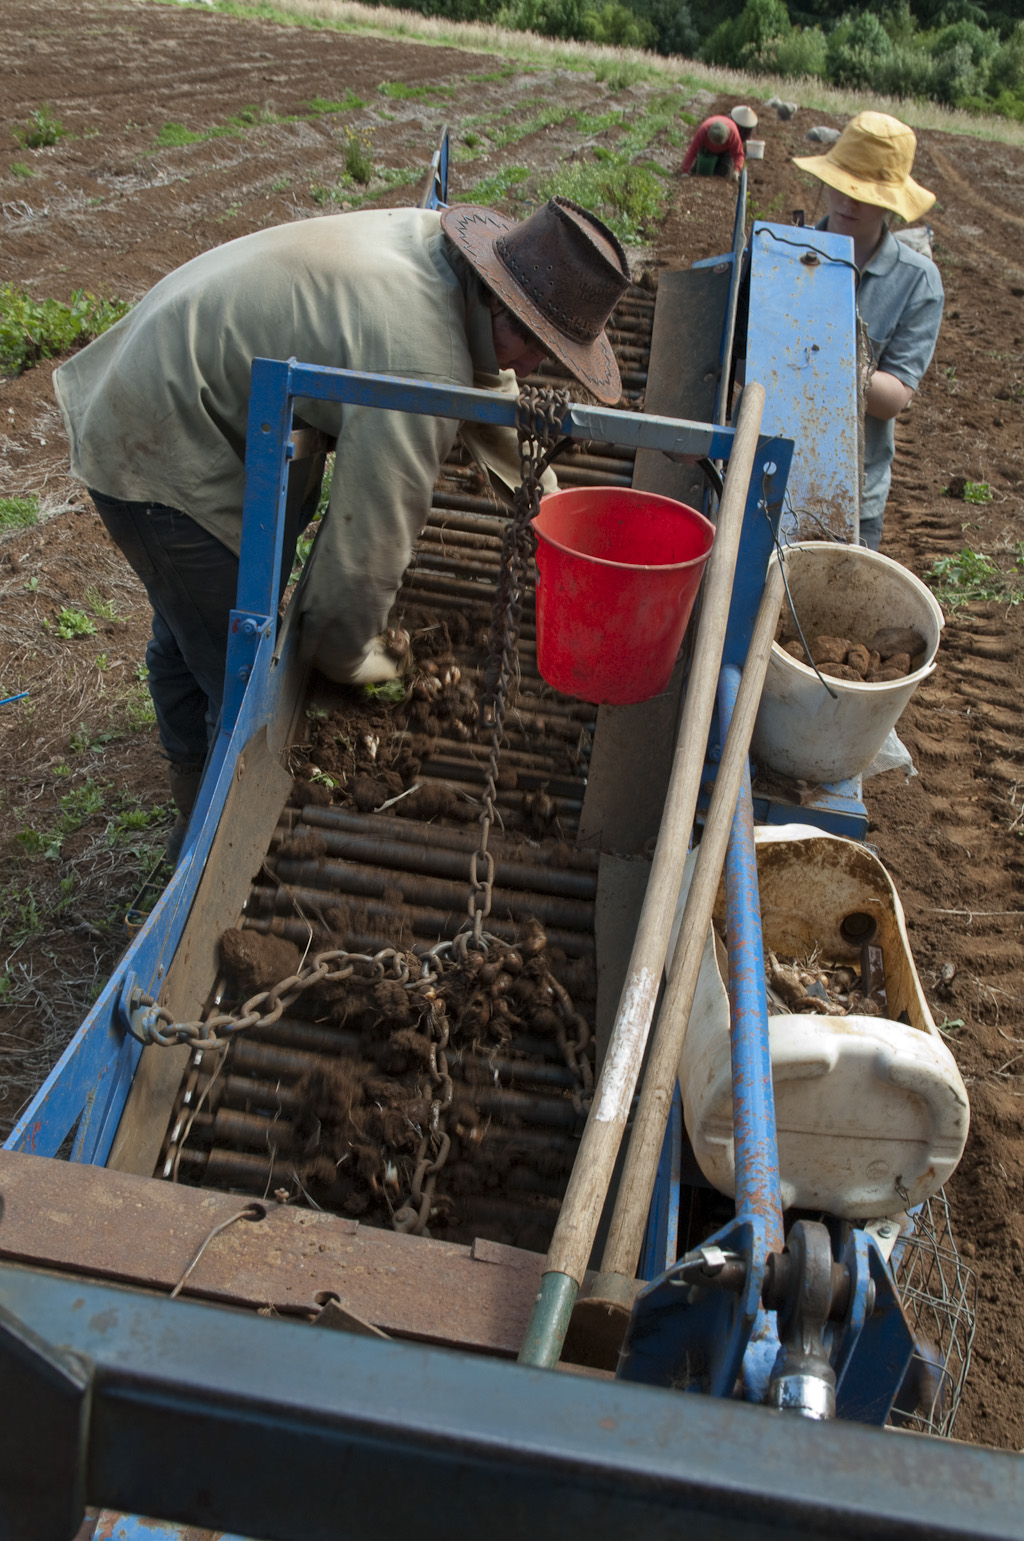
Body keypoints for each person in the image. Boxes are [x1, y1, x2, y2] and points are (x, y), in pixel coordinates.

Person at [52, 197, 631, 856]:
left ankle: (189, 775)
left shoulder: (436, 254)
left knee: (194, 614)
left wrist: (552, 511)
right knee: (234, 673)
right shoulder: (415, 357)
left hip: (181, 369)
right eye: (533, 344)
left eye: (548, 353)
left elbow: (485, 383)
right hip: (158, 431)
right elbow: (367, 546)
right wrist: (356, 657)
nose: (532, 370)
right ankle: (203, 837)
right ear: (499, 299)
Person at [793, 111, 943, 552]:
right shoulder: (782, 252)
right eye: (840, 185)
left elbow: (892, 398)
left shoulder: (917, 281)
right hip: (771, 476)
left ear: (891, 202)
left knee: (835, 618)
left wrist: (827, 355)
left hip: (853, 495)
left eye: (865, 193)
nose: (847, 202)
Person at [682, 115, 745, 179]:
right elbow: (693, 150)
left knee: (722, 175)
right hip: (707, 149)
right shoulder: (703, 130)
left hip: (726, 152)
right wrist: (685, 170)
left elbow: (738, 154)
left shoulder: (733, 133)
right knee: (699, 173)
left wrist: (737, 170)